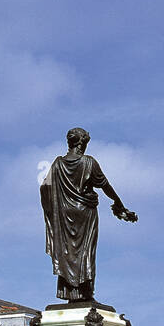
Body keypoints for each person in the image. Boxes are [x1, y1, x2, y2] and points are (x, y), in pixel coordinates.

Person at [40, 127, 137, 302]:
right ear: (82, 143)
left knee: (67, 251)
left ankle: (70, 293)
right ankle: (85, 292)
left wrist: (55, 209)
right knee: (85, 252)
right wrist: (120, 204)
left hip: (64, 213)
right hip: (85, 212)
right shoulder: (89, 162)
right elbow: (105, 185)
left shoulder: (57, 164)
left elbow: (45, 188)